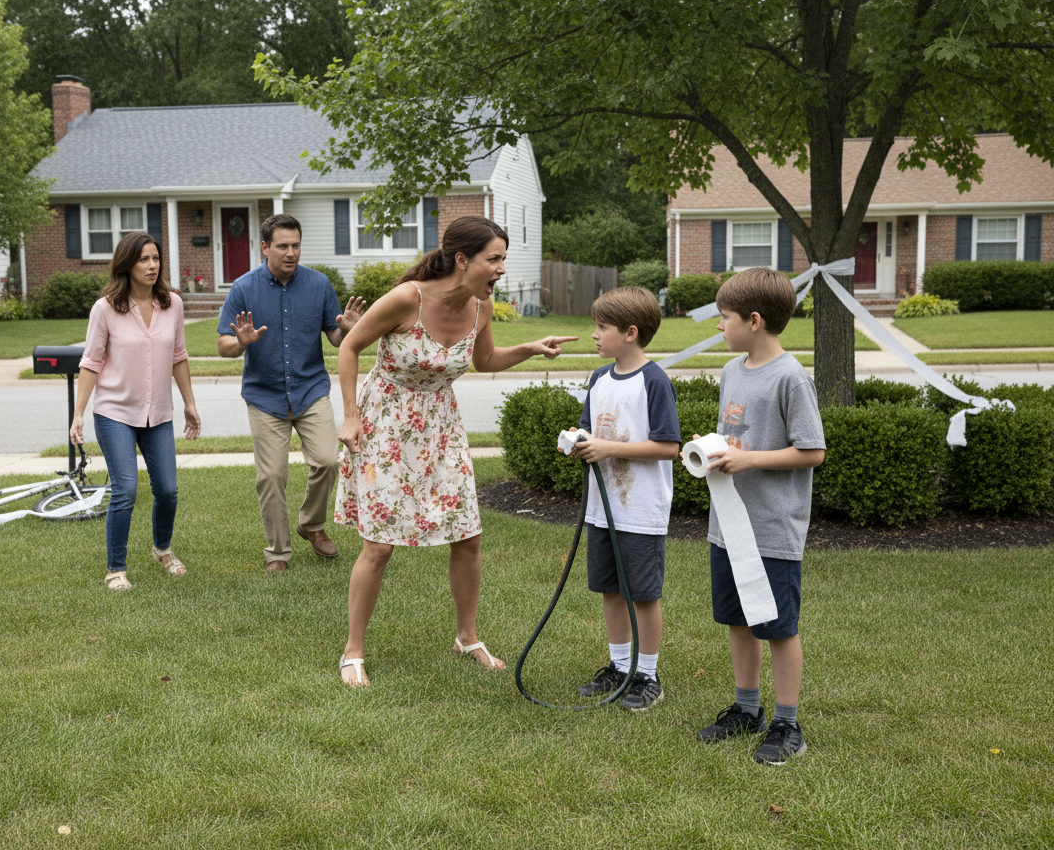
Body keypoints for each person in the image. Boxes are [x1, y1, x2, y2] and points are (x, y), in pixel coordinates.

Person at [334, 215, 579, 687]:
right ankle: (353, 649)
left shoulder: (481, 307)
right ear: (462, 260)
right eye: (494, 259)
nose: (502, 268)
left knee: (467, 536)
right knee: (379, 545)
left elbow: (484, 360)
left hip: (442, 429)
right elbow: (350, 347)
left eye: (503, 259)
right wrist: (350, 415)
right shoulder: (407, 298)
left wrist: (529, 347)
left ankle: (467, 637)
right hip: (386, 424)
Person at [687, 266, 826, 764]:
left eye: (724, 317)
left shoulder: (791, 378)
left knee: (778, 627)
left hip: (770, 529)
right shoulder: (731, 370)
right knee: (737, 620)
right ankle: (747, 710)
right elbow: (736, 436)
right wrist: (714, 449)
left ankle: (788, 724)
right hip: (728, 526)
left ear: (754, 320)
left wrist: (748, 459)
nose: (718, 325)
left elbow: (812, 451)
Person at [217, 214, 366, 573]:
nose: (291, 253)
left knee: (327, 461)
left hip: (310, 389)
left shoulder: (319, 285)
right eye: (282, 246)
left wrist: (348, 329)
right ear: (265, 247)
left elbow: (335, 338)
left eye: (296, 245)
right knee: (271, 476)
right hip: (265, 396)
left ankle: (311, 524)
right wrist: (241, 342)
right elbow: (223, 345)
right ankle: (278, 552)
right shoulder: (243, 288)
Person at [563, 286, 681, 711]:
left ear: (631, 333)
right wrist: (578, 440)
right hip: (603, 508)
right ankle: (618, 667)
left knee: (642, 594)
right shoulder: (599, 378)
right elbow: (588, 428)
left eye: (602, 327)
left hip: (640, 510)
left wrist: (608, 448)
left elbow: (669, 447)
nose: (594, 334)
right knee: (610, 589)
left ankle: (647, 675)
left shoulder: (654, 381)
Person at [70, 231, 201, 590]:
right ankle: (116, 569)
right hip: (114, 412)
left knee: (168, 489)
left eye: (155, 258)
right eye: (143, 259)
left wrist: (189, 404)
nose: (151, 265)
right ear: (127, 265)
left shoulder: (172, 305)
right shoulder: (105, 309)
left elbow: (178, 356)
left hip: (158, 412)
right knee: (126, 489)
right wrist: (79, 413)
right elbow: (91, 362)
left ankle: (162, 549)